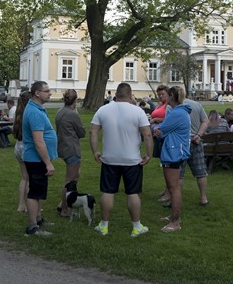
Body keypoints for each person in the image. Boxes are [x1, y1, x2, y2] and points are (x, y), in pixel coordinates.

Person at [90, 82, 153, 237]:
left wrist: (95, 151)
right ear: (130, 95)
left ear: (116, 94)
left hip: (109, 159)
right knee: (133, 193)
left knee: (108, 192)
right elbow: (147, 134)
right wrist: (149, 154)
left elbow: (93, 132)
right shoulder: (138, 111)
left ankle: (104, 225)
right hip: (132, 160)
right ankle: (136, 226)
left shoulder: (103, 109)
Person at [152, 85, 190, 232]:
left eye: (167, 95)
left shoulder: (177, 113)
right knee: (172, 187)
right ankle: (173, 216)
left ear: (172, 97)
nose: (165, 97)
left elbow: (160, 130)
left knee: (174, 189)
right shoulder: (179, 112)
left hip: (173, 154)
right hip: (173, 151)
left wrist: (154, 128)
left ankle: (175, 222)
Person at [22, 81, 57, 237]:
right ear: (37, 93)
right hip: (36, 159)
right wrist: (48, 163)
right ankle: (32, 227)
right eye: (47, 91)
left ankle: (38, 219)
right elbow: (38, 141)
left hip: (38, 159)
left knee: (39, 191)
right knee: (35, 192)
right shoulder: (34, 112)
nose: (50, 93)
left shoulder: (37, 108)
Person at [55, 89, 86, 218]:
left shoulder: (59, 112)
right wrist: (76, 113)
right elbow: (82, 133)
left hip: (62, 147)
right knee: (69, 180)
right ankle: (64, 209)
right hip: (71, 149)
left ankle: (62, 203)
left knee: (76, 174)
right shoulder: (73, 115)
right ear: (75, 100)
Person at [181, 95, 210, 207]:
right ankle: (203, 198)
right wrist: (199, 134)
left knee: (178, 173)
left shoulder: (173, 106)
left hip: (181, 142)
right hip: (195, 140)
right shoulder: (196, 105)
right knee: (200, 171)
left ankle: (176, 198)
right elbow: (205, 121)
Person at [12, 91, 31, 214]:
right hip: (27, 147)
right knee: (30, 179)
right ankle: (30, 205)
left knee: (24, 178)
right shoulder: (29, 114)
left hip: (18, 146)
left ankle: (21, 205)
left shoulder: (18, 114)